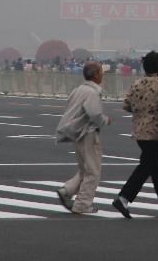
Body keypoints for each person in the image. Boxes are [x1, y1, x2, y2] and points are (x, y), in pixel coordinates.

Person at [112, 51, 158, 219]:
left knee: (155, 164)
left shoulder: (137, 83)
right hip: (156, 130)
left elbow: (127, 105)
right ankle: (124, 197)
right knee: (147, 165)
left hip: (139, 129)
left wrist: (141, 109)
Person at [54, 61, 112, 214]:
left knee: (84, 169)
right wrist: (105, 120)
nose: (102, 75)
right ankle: (82, 204)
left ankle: (67, 190)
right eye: (101, 72)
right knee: (93, 171)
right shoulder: (92, 93)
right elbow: (94, 114)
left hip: (77, 133)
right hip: (89, 133)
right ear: (96, 75)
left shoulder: (78, 89)